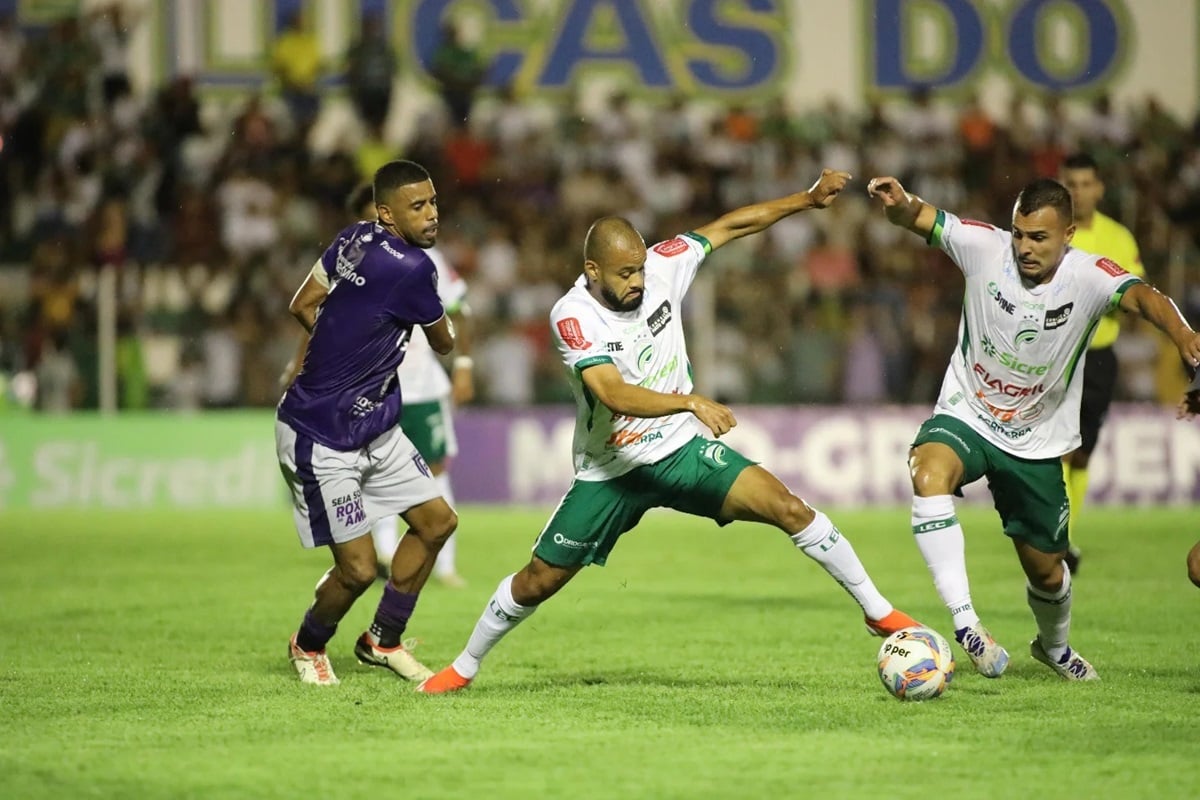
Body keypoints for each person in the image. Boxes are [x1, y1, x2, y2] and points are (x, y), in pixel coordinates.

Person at [417, 169, 923, 694]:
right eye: (624, 274)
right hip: (613, 470)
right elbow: (612, 393)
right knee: (538, 580)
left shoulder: (662, 265)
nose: (638, 281)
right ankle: (465, 665)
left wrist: (806, 199)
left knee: (788, 508)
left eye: (640, 268)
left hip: (680, 450)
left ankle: (879, 612)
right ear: (592, 270)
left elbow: (729, 226)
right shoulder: (573, 316)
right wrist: (689, 400)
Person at [866, 174, 1200, 681]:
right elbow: (919, 216)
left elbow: (1143, 297)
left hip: (1037, 439)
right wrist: (899, 201)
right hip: (968, 413)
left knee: (1048, 569)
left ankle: (1054, 646)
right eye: (1019, 233)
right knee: (927, 471)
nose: (1024, 246)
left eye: (1038, 237)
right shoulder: (984, 247)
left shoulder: (1089, 276)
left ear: (1068, 234)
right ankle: (967, 626)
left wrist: (1183, 335)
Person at [276, 160, 457, 686]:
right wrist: (353, 363)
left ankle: (383, 639)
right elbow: (444, 342)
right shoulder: (414, 269)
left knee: (437, 522)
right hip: (321, 435)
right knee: (357, 568)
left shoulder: (353, 237)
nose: (431, 215)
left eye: (433, 202)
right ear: (387, 212)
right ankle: (307, 644)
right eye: (417, 206)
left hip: (375, 426)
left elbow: (302, 303)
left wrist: (345, 349)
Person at [284, 183, 475, 586]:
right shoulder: (360, 248)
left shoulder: (428, 259)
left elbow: (460, 309)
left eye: (428, 206)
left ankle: (444, 567)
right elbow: (329, 313)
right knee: (371, 470)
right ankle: (384, 556)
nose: (427, 216)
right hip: (369, 393)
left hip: (420, 386)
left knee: (432, 468)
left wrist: (465, 366)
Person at [1057, 153, 1146, 574]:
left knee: (1083, 453)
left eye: (1085, 183)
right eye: (1070, 183)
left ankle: (1065, 534)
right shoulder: (1051, 232)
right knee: (1057, 448)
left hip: (1098, 359)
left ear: (1099, 188)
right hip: (1056, 356)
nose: (1078, 191)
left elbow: (1136, 295)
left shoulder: (1118, 238)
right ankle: (1060, 540)